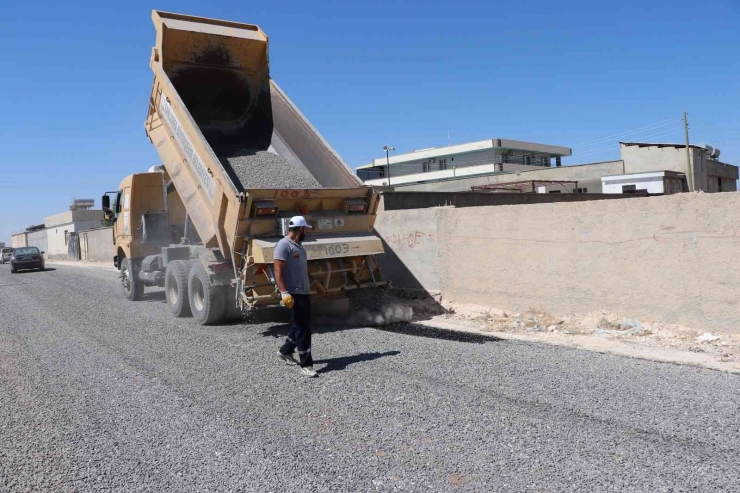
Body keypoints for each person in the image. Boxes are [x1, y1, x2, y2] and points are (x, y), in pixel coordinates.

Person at [274, 216, 318, 377]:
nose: (306, 232)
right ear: (300, 230)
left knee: (300, 324)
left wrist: (315, 284)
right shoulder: (283, 245)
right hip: (293, 293)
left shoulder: (299, 246)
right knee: (303, 329)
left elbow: (302, 269)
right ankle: (306, 365)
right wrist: (284, 292)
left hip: (304, 292)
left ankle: (285, 351)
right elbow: (278, 270)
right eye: (305, 229)